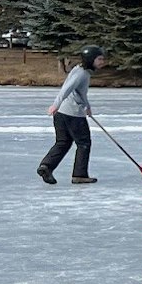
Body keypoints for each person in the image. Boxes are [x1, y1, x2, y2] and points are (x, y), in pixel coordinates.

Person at [38, 44, 105, 185]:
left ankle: (46, 166)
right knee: (84, 143)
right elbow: (66, 89)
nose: (102, 62)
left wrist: (87, 106)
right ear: (90, 59)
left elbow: (79, 92)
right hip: (72, 114)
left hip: (62, 113)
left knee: (63, 142)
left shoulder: (79, 70)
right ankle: (79, 175)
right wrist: (55, 104)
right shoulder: (81, 73)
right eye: (99, 59)